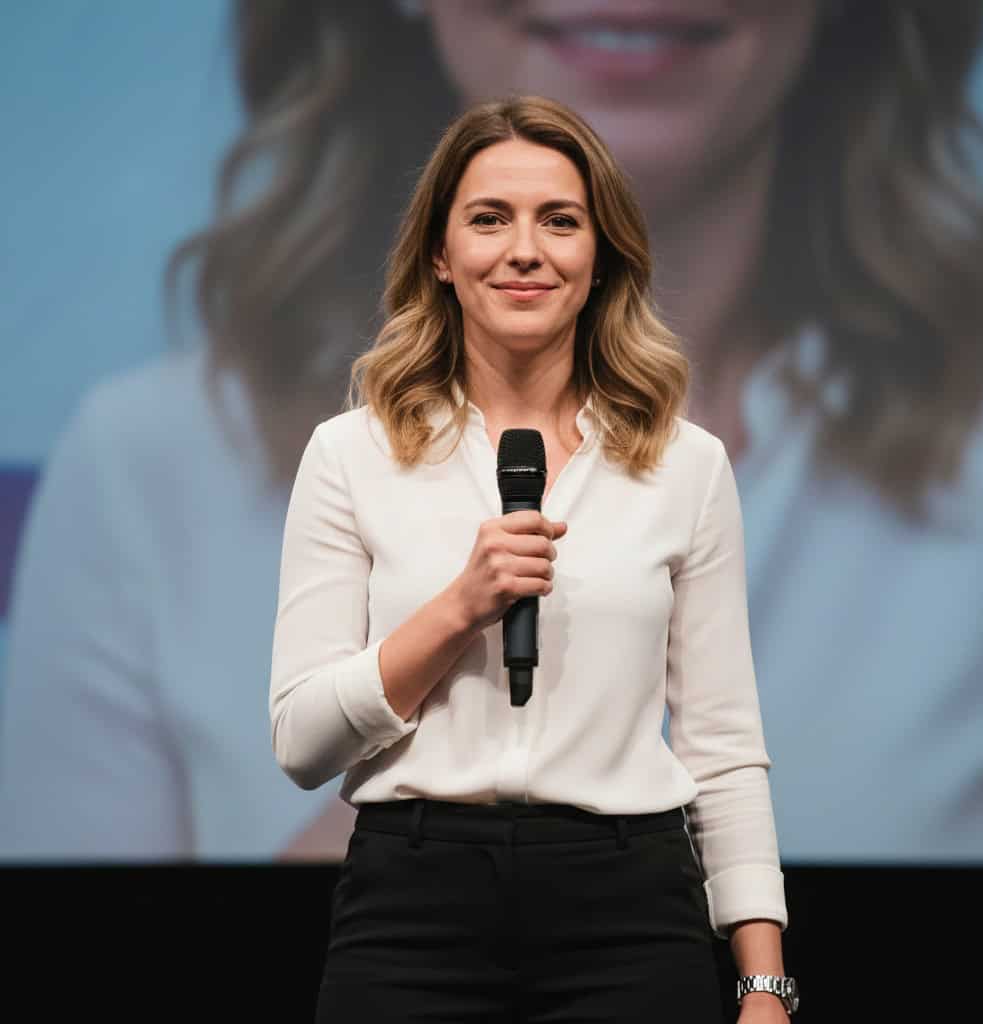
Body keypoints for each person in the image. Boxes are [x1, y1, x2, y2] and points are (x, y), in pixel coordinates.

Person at [1, 0, 983, 864]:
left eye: (564, 227)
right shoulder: (156, 462)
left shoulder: (979, 454)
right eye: (493, 223)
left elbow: (729, 790)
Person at [271, 92, 796, 1024]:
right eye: (488, 219)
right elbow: (302, 742)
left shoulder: (686, 464)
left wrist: (763, 985)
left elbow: (723, 746)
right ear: (440, 255)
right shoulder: (350, 454)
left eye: (560, 221)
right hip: (412, 904)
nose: (525, 250)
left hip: (629, 909)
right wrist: (457, 608)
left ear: (600, 260)